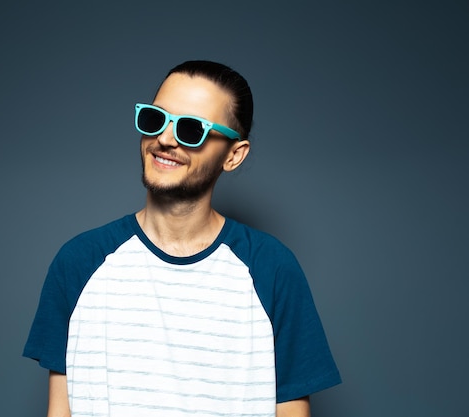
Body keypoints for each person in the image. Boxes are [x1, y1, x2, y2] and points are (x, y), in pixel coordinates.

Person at [24, 60, 341, 417]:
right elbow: (59, 410)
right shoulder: (79, 262)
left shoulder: (272, 270)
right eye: (155, 119)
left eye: (191, 129)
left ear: (234, 155)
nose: (165, 139)